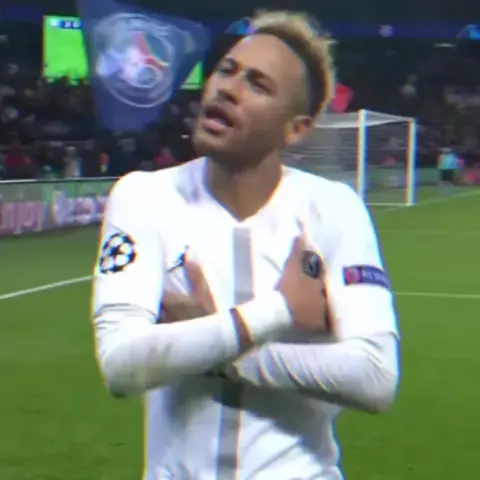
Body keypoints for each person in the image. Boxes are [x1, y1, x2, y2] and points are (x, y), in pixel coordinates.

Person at [92, 10, 400, 480]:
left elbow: (376, 377)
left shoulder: (333, 208)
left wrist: (220, 347)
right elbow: (121, 365)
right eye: (227, 70)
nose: (227, 89)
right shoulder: (144, 197)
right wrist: (276, 312)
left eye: (258, 84)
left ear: (296, 128)